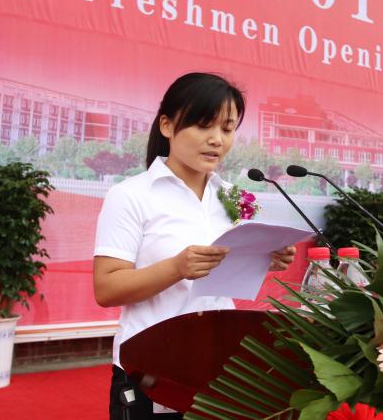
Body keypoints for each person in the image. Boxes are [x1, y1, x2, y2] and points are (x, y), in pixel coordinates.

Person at [93, 72, 297, 420]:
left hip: (221, 366)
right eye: (204, 126)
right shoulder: (130, 195)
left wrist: (267, 256)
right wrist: (176, 268)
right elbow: (106, 288)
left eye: (227, 129)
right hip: (150, 367)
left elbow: (232, 275)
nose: (216, 140)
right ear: (167, 126)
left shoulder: (235, 198)